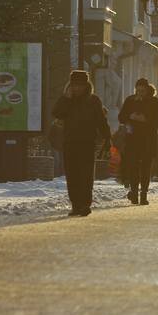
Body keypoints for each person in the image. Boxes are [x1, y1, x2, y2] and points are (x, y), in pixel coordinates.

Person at [51, 70, 112, 217]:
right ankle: (76, 205)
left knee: (85, 175)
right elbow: (57, 113)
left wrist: (107, 138)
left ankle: (85, 204)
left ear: (86, 86)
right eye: (74, 85)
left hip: (87, 142)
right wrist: (66, 98)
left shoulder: (93, 100)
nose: (77, 88)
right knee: (72, 175)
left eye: (80, 85)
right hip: (70, 142)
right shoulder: (67, 100)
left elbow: (101, 121)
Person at [117, 78, 158, 205]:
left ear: (147, 90)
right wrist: (130, 117)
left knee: (145, 167)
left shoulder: (154, 102)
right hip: (132, 139)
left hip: (148, 139)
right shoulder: (130, 100)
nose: (140, 93)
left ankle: (143, 194)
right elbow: (121, 117)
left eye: (142, 90)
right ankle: (134, 193)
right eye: (137, 90)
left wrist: (145, 119)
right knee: (133, 166)